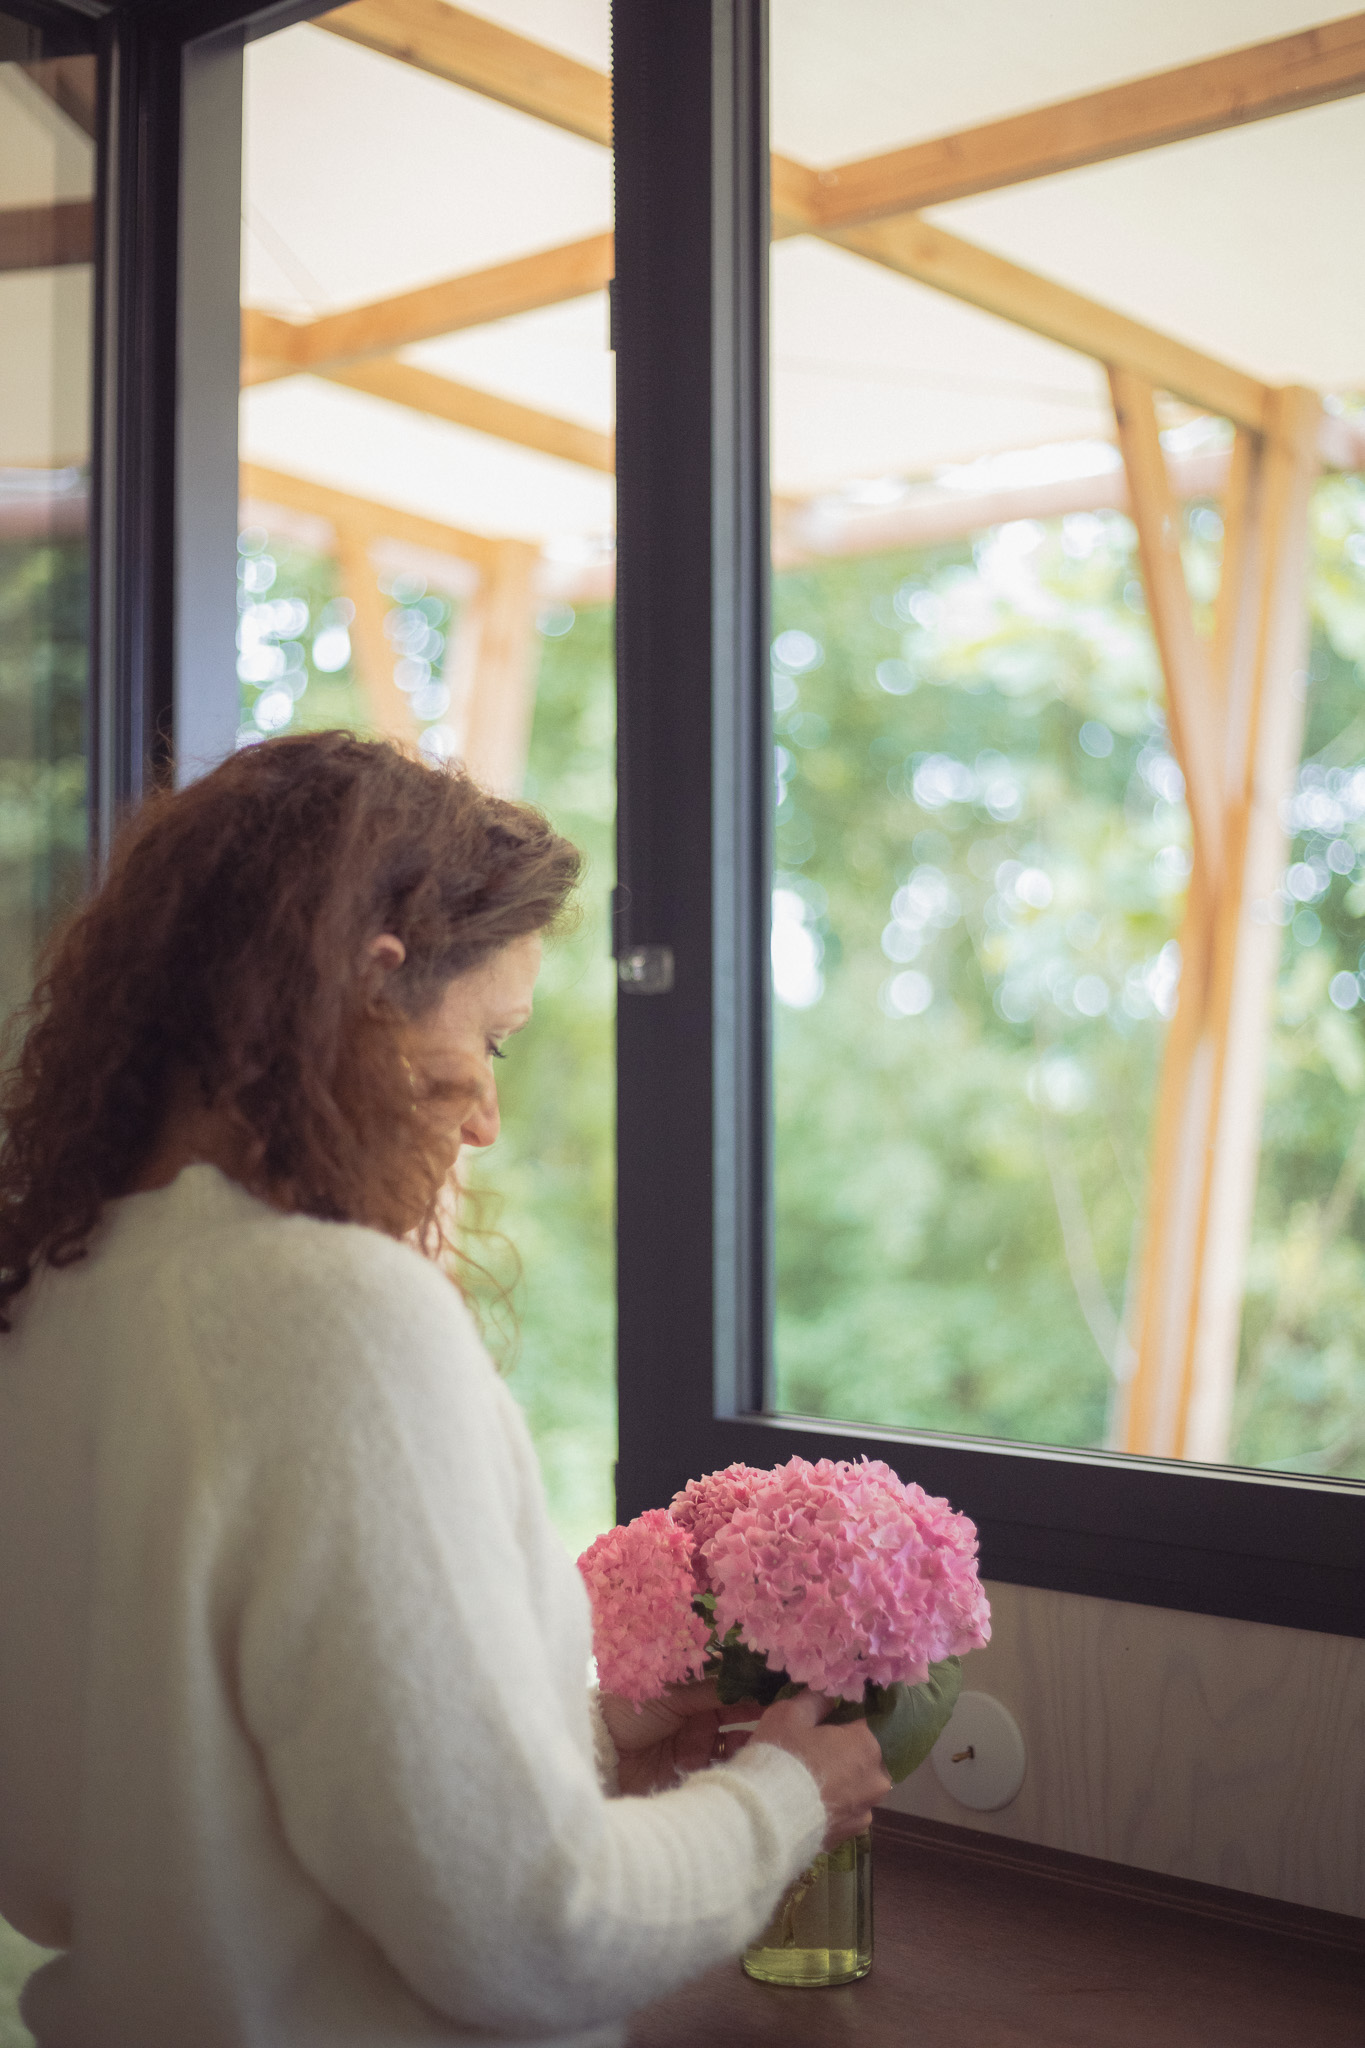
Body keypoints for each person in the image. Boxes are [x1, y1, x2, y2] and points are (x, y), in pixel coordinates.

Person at [0, 732, 891, 2047]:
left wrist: (587, 1728)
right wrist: (786, 1798)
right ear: (371, 987)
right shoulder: (329, 1312)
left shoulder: (51, 1303)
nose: (484, 1120)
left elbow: (188, 1809)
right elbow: (534, 1934)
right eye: (494, 1039)